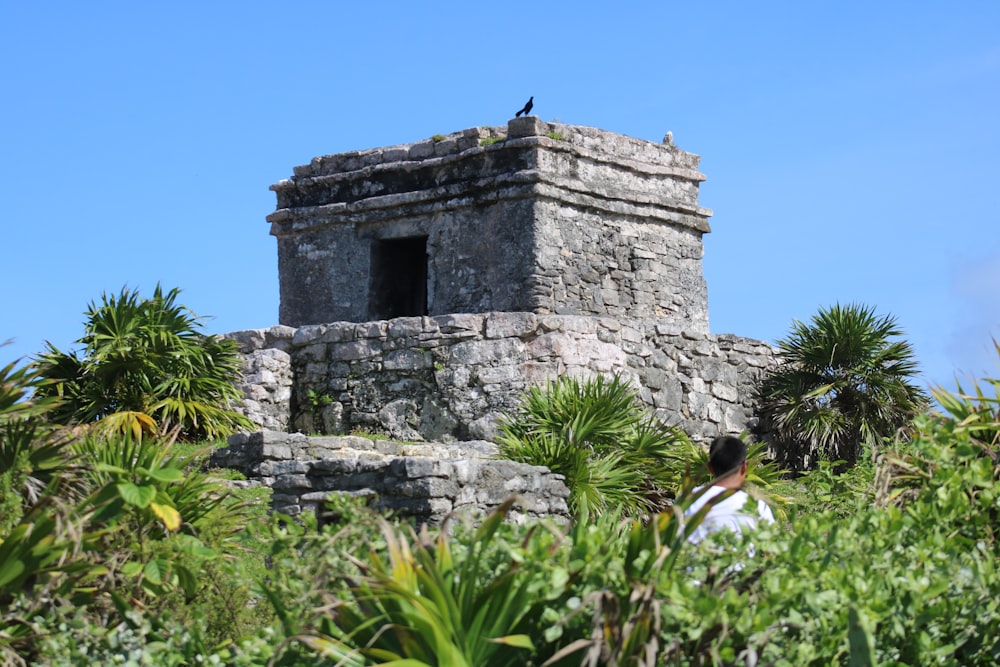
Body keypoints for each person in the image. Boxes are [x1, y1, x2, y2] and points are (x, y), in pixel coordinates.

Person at [685, 435, 775, 545]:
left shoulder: (687, 500)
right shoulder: (757, 507)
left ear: (710, 467)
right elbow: (771, 551)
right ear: (744, 467)